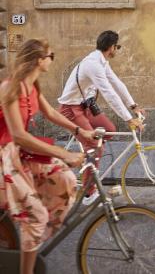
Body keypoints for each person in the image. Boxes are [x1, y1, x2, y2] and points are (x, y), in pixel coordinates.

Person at [0, 39, 95, 274]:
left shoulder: (32, 87)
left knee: (66, 180)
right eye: (51, 56)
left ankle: (33, 237)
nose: (53, 60)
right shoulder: (10, 88)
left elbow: (51, 112)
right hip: (6, 154)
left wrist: (80, 130)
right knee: (36, 215)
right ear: (38, 60)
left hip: (19, 153)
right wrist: (63, 153)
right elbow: (19, 135)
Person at [58, 30, 144, 204]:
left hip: (85, 107)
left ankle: (89, 160)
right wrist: (128, 119)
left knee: (110, 131)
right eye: (117, 47)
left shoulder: (102, 61)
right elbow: (109, 93)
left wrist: (133, 105)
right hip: (70, 110)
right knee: (95, 146)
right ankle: (89, 194)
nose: (116, 50)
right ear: (111, 47)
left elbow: (116, 83)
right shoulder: (93, 64)